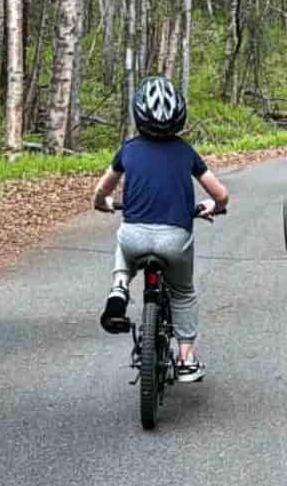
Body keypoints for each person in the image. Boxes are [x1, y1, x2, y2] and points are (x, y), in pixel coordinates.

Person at [94, 76, 228, 383]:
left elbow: (102, 191)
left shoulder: (127, 150)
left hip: (135, 237)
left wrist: (103, 203)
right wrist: (214, 206)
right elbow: (220, 194)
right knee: (182, 293)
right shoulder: (185, 152)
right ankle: (186, 359)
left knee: (124, 243)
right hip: (174, 239)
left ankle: (119, 288)